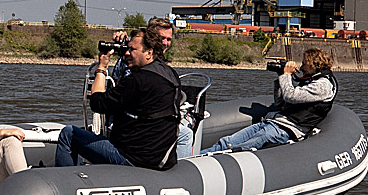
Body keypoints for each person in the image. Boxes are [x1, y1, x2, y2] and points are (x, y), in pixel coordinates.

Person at [55, 27, 182, 170]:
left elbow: (97, 103)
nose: (126, 53)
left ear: (149, 52)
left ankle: (67, 183)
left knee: (68, 134)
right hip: (160, 158)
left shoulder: (137, 80)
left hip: (133, 159)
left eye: (132, 50)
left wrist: (102, 68)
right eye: (126, 49)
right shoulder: (170, 74)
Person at [201, 48, 338, 154]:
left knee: (237, 150)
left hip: (284, 130)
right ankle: (188, 161)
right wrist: (280, 78)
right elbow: (281, 104)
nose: (301, 68)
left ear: (314, 65)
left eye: (304, 64)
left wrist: (286, 75)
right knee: (226, 143)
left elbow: (290, 95)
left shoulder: (322, 85)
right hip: (273, 123)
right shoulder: (311, 81)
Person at [106, 17, 194, 158]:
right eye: (161, 38)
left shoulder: (154, 63)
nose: (165, 43)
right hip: (130, 124)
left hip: (139, 119)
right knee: (185, 135)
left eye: (169, 39)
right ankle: (179, 174)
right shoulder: (136, 62)